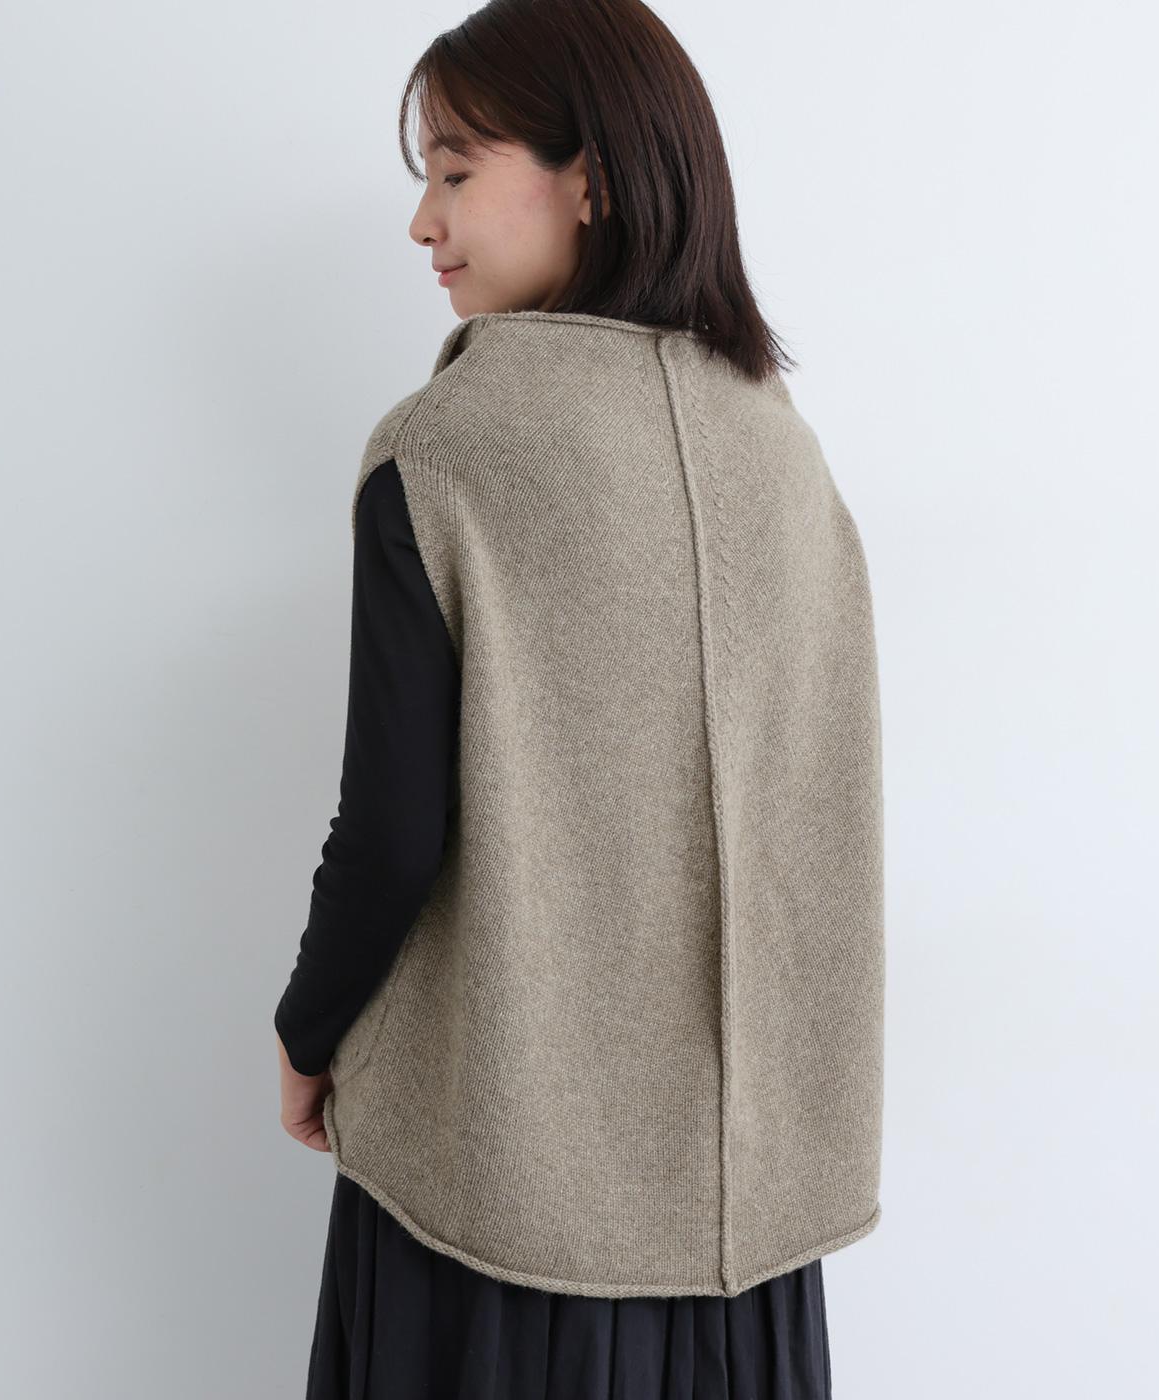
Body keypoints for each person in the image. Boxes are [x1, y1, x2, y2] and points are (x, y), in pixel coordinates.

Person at [274, 2, 885, 1396]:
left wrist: (307, 1031)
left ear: (591, 180)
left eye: (455, 169)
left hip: (495, 1204)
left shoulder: (446, 452)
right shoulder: (785, 457)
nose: (423, 222)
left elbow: (390, 831)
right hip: (744, 1228)